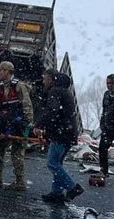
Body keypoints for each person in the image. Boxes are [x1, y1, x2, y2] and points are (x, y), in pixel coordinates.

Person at [34, 69, 84, 203]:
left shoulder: (55, 91)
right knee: (58, 163)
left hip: (61, 134)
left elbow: (52, 111)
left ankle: (73, 187)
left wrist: (39, 124)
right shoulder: (65, 92)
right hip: (67, 132)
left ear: (51, 80)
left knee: (52, 163)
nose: (43, 81)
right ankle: (57, 193)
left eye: (45, 78)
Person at [0, 61, 33, 191]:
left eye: (0, 70)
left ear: (6, 71)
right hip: (7, 124)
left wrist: (28, 125)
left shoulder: (19, 86)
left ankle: (20, 181)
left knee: (17, 153)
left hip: (18, 124)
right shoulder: (1, 87)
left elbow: (27, 105)